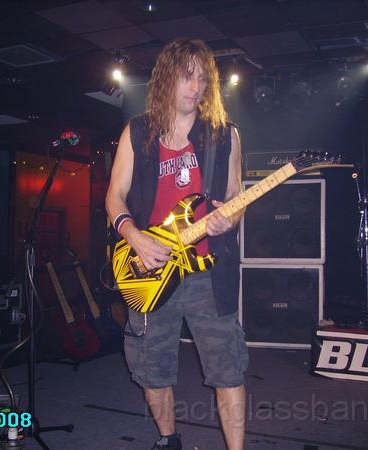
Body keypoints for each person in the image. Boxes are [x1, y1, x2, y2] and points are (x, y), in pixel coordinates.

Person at [105, 38, 248, 450]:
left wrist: (231, 217)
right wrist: (134, 236)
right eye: (187, 77)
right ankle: (169, 439)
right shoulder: (137, 132)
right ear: (167, 77)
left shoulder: (225, 135)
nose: (196, 87)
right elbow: (114, 196)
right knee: (152, 369)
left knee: (228, 369)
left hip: (209, 273)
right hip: (151, 268)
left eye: (203, 79)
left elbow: (237, 196)